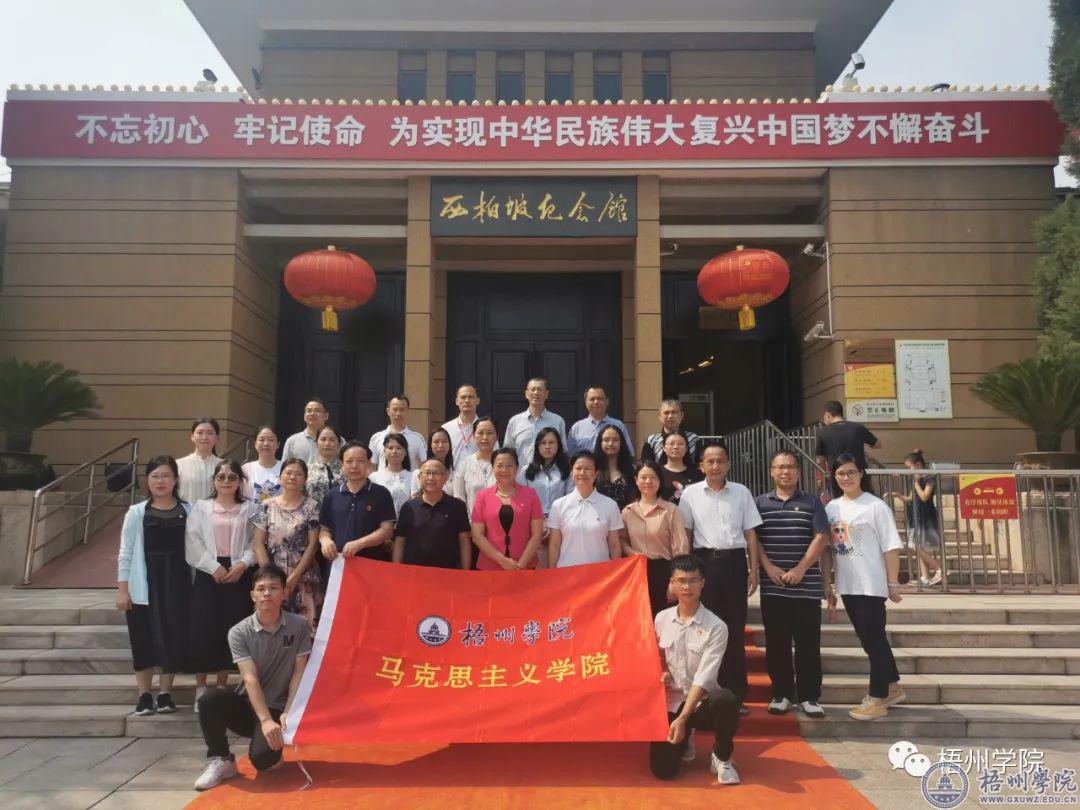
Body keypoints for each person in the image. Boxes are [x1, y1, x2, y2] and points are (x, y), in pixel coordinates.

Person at [194, 564, 311, 791]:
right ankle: (221, 759)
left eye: (273, 588)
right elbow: (250, 679)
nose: (267, 593)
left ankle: (270, 749)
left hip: (279, 708)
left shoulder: (299, 625)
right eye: (261, 589)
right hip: (250, 706)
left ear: (285, 593)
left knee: (263, 761)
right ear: (253, 595)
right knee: (209, 699)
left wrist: (289, 711)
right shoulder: (239, 632)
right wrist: (265, 721)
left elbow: (299, 672)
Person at [678, 442, 761, 711]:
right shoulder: (690, 494)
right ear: (701, 465)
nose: (715, 466)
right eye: (710, 461)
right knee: (704, 629)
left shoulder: (741, 492)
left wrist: (753, 569)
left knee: (733, 630)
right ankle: (704, 695)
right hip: (704, 565)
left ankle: (735, 696)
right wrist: (687, 573)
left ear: (728, 464)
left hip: (735, 563)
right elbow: (686, 534)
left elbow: (750, 533)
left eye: (720, 461)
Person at [823, 453, 905, 721]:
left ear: (861, 474)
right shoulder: (832, 508)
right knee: (871, 639)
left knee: (874, 641)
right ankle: (892, 686)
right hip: (848, 584)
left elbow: (891, 547)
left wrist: (892, 583)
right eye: (840, 473)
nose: (846, 478)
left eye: (851, 472)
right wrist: (828, 583)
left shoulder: (875, 506)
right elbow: (829, 550)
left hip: (871, 585)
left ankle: (877, 698)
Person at [649, 554, 741, 786]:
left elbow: (704, 677)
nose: (687, 587)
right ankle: (684, 739)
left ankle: (721, 756)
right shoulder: (661, 619)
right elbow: (656, 657)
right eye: (681, 581)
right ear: (672, 583)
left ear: (703, 583)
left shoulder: (716, 626)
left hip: (702, 703)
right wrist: (662, 671)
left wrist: (683, 719)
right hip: (671, 701)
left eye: (692, 581)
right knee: (663, 770)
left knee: (725, 700)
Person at [754, 450, 829, 719]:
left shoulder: (812, 502)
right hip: (773, 586)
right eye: (780, 467)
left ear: (798, 471)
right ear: (772, 472)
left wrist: (800, 569)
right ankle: (782, 693)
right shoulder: (760, 503)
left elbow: (821, 536)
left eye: (790, 467)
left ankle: (810, 696)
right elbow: (754, 539)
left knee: (808, 643)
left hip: (806, 587)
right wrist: (768, 567)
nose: (785, 472)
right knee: (777, 643)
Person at [116, 455, 192, 716]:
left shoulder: (189, 510)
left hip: (178, 584)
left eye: (166, 476)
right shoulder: (137, 512)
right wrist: (123, 590)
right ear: (147, 480)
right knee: (143, 639)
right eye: (155, 476)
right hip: (144, 584)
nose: (161, 481)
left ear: (176, 480)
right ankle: (144, 695)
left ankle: (165, 693)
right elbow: (125, 552)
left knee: (172, 637)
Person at [185, 460, 260, 709]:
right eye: (221, 477)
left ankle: (221, 687)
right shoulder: (201, 507)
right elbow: (193, 540)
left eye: (232, 477)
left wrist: (243, 564)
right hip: (209, 572)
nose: (226, 481)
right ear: (214, 480)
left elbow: (256, 542)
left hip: (239, 573)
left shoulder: (250, 508)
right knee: (203, 627)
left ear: (240, 481)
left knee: (232, 627)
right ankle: (200, 688)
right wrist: (212, 566)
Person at [252, 458, 323, 636]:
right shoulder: (266, 505)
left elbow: (313, 544)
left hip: (303, 575)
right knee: (272, 626)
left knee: (305, 629)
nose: (292, 477)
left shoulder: (312, 506)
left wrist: (294, 578)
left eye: (298, 474)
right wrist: (271, 577)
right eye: (288, 473)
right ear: (280, 477)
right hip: (273, 575)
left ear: (305, 479)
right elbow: (258, 543)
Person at [621, 460, 689, 615]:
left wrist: (675, 581)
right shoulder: (627, 512)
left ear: (660, 481)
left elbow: (681, 549)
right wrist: (633, 553)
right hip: (637, 573)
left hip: (664, 572)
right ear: (636, 480)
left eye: (653, 477)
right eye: (643, 477)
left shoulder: (671, 510)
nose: (648, 481)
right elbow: (621, 540)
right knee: (640, 619)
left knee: (664, 619)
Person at [319, 441, 397, 563]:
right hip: (338, 564)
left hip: (371, 563)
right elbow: (324, 529)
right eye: (349, 461)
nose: (354, 466)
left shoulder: (381, 494)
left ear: (369, 464)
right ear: (342, 465)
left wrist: (360, 543)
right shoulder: (331, 496)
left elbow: (387, 530)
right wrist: (325, 541)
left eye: (360, 461)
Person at [471, 448, 544, 570]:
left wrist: (520, 566)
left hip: (524, 566)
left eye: (509, 465)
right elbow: (477, 536)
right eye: (499, 466)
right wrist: (503, 561)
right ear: (493, 468)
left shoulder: (531, 494)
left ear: (517, 468)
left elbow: (537, 535)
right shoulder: (482, 496)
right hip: (490, 566)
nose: (504, 470)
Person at [548, 451, 623, 567]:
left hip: (600, 573)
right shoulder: (558, 505)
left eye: (587, 468)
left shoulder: (610, 505)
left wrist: (615, 572)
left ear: (596, 474)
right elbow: (554, 545)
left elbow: (614, 545)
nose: (582, 473)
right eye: (578, 468)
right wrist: (552, 573)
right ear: (572, 472)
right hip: (567, 572)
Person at [393, 459, 472, 570]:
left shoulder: (457, 506)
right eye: (427, 473)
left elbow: (464, 541)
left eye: (435, 473)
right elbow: (400, 541)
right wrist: (396, 570)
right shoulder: (409, 507)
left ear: (445, 477)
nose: (430, 477)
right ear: (419, 477)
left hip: (448, 572)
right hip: (414, 572)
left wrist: (465, 571)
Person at [518, 427, 571, 568]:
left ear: (558, 445)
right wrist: (539, 522)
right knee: (536, 568)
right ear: (537, 446)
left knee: (557, 567)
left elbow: (570, 499)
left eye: (552, 442)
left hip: (561, 525)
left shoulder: (567, 470)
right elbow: (520, 501)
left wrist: (552, 521)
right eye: (543, 443)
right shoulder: (526, 471)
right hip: (532, 526)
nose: (547, 446)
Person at [892, 449, 944, 587]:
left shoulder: (928, 478)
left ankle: (939, 569)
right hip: (915, 516)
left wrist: (916, 484)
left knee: (915, 546)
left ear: (918, 465)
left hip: (925, 517)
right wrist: (897, 495)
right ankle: (925, 577)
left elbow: (925, 496)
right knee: (920, 548)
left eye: (909, 467)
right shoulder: (915, 479)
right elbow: (910, 498)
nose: (909, 471)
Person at [814, 401, 881, 498]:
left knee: (842, 502)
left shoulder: (823, 433)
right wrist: (866, 444)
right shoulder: (858, 428)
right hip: (858, 473)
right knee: (865, 500)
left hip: (839, 475)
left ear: (827, 416)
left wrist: (822, 477)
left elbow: (820, 461)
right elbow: (878, 444)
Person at [503, 378, 567, 468]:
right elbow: (508, 453)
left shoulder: (557, 421)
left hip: (549, 475)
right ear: (526, 394)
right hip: (521, 474)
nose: (536, 393)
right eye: (533, 389)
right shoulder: (515, 421)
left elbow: (563, 451)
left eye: (540, 389)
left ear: (546, 394)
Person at [566, 385, 633, 455]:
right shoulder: (576, 428)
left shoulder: (619, 425)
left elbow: (628, 454)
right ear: (586, 403)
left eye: (600, 399)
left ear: (607, 401)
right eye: (592, 399)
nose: (596, 402)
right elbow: (569, 456)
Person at [452, 416, 498, 516]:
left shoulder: (503, 464)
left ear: (496, 436)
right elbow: (459, 497)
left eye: (490, 433)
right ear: (473, 435)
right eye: (480, 433)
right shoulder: (464, 464)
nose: (485, 437)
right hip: (472, 522)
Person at [368, 394, 427, 470]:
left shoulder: (418, 439)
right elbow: (372, 467)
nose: (398, 413)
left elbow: (424, 466)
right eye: (395, 409)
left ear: (407, 411)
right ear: (388, 411)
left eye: (402, 409)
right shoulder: (376, 438)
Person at [641, 400, 701, 467]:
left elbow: (699, 466)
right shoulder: (651, 440)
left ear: (682, 415)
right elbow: (646, 467)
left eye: (674, 412)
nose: (670, 416)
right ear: (660, 416)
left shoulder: (693, 439)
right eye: (666, 413)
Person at [177, 418, 223, 504]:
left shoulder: (224, 466)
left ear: (217, 438)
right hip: (187, 512)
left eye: (210, 433)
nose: (204, 437)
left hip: (216, 512)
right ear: (192, 436)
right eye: (200, 433)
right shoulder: (179, 465)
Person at [594, 424, 638, 510]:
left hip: (626, 516)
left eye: (615, 440)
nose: (610, 443)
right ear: (600, 442)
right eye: (606, 440)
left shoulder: (633, 470)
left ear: (621, 443)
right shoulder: (593, 469)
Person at [370, 433, 414, 517]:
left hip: (407, 522)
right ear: (384, 451)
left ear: (405, 452)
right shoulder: (374, 478)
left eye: (399, 448)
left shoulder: (413, 477)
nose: (394, 451)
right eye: (390, 448)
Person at [280, 399, 330, 466]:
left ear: (326, 416)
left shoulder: (337, 441)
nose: (312, 414)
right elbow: (285, 468)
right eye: (309, 411)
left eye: (317, 410)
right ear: (304, 416)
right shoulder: (292, 441)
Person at [304, 425, 343, 510]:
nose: (327, 443)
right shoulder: (307, 470)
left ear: (339, 444)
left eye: (332, 440)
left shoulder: (347, 470)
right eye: (323, 439)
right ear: (316, 443)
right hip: (313, 515)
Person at [442, 384, 482, 466]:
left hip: (479, 474)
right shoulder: (446, 429)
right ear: (457, 401)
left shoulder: (486, 428)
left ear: (477, 401)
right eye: (463, 397)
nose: (467, 400)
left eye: (471, 397)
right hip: (453, 473)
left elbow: (495, 456)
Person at [658, 432, 703, 505]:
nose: (676, 447)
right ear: (664, 448)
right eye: (671, 443)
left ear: (686, 448)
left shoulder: (697, 473)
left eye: (680, 444)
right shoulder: (656, 472)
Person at [241, 426, 283, 503]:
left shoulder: (285, 468)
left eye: (271, 440)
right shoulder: (245, 469)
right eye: (261, 440)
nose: (266, 443)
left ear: (278, 444)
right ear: (255, 444)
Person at [414, 426, 455, 495]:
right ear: (430, 445)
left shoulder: (455, 476)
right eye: (436, 442)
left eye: (444, 441)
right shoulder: (418, 473)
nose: (440, 445)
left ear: (449, 445)